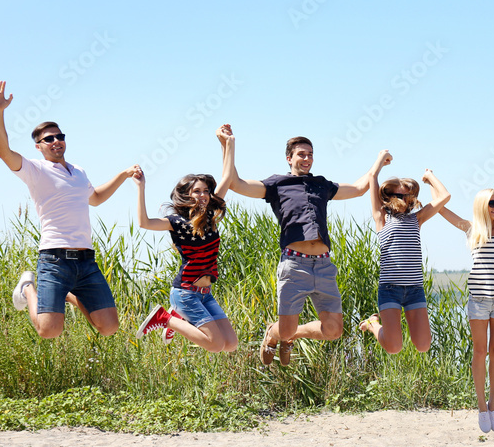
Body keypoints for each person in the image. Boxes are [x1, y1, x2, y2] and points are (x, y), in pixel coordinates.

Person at [218, 124, 376, 365]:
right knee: (286, 328)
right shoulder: (277, 184)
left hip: (324, 266)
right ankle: (275, 333)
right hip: (294, 265)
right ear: (289, 158)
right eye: (302, 154)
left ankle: (289, 336)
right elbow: (235, 183)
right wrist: (227, 145)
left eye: (310, 154)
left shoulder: (321, 185)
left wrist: (378, 163)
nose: (307, 159)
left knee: (334, 330)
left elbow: (359, 188)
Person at [0, 80, 138, 339]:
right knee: (49, 331)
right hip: (54, 260)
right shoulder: (36, 170)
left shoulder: (78, 171)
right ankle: (27, 286)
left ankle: (68, 294)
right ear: (38, 146)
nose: (56, 141)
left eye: (60, 136)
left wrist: (124, 174)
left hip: (86, 261)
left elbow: (95, 198)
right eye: (49, 139)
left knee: (109, 327)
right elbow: (4, 153)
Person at [438, 144, 494, 433]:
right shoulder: (473, 230)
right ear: (482, 206)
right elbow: (442, 211)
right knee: (480, 352)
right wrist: (431, 182)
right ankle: (481, 406)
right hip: (479, 301)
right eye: (492, 203)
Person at [132, 153, 239, 353]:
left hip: (205, 294)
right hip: (185, 293)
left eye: (206, 191)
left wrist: (227, 144)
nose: (203, 195)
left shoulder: (210, 217)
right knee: (215, 345)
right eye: (197, 191)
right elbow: (144, 223)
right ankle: (166, 319)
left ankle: (177, 318)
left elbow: (228, 177)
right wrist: (141, 187)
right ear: (186, 195)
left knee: (231, 344)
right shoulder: (176, 222)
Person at [358, 152, 451, 356]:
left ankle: (374, 322)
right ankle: (373, 323)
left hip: (415, 289)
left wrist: (429, 177)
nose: (403, 199)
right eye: (398, 195)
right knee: (394, 347)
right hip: (390, 288)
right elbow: (372, 177)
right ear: (389, 197)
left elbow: (445, 197)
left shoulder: (416, 219)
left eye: (408, 196)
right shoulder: (381, 217)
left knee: (423, 345)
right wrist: (382, 158)